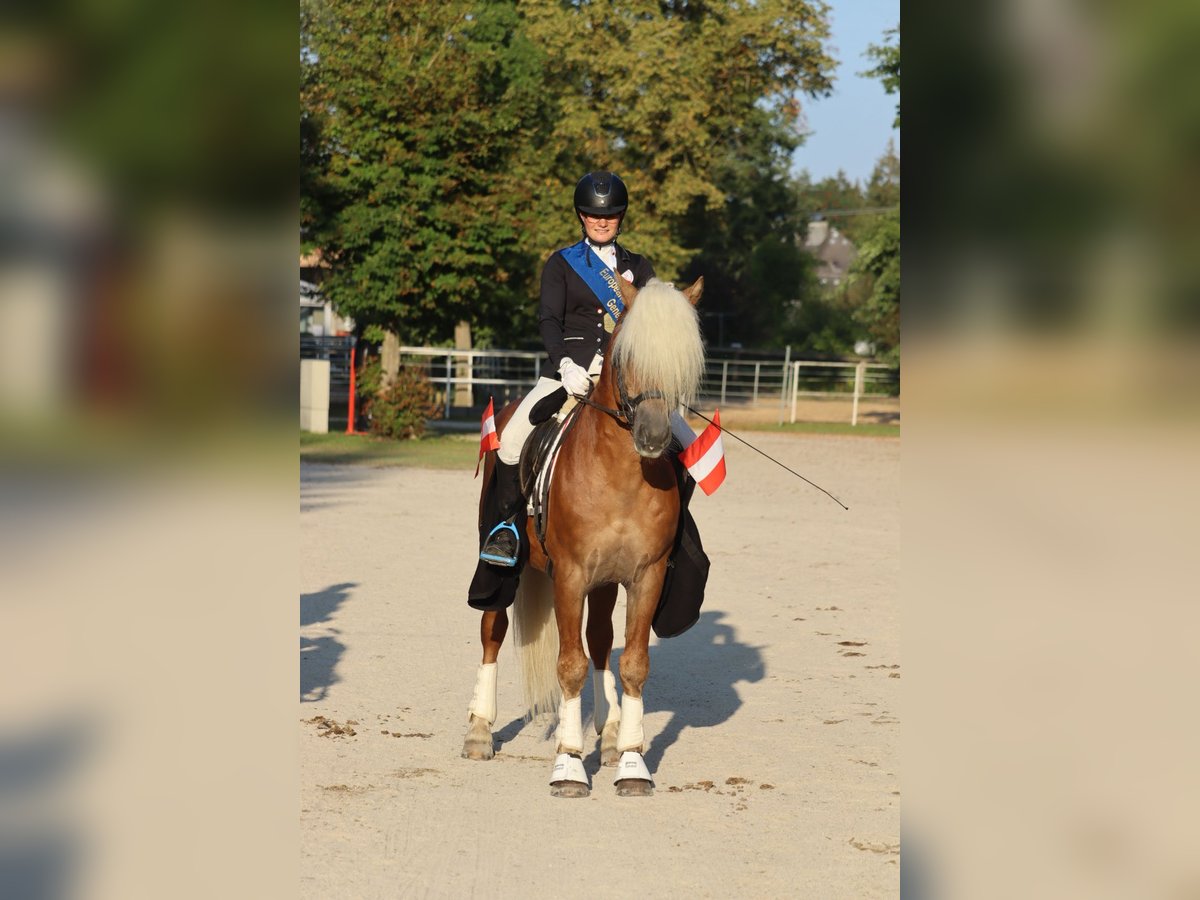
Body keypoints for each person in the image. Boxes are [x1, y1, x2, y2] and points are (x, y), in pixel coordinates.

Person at [480, 171, 690, 566]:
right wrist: (563, 364)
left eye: (610, 215)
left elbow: (653, 326)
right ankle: (506, 530)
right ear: (581, 216)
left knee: (688, 446)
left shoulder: (640, 267)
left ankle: (674, 537)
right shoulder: (561, 264)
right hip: (568, 373)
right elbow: (548, 320)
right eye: (594, 215)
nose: (601, 221)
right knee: (510, 443)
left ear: (621, 217)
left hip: (625, 380)